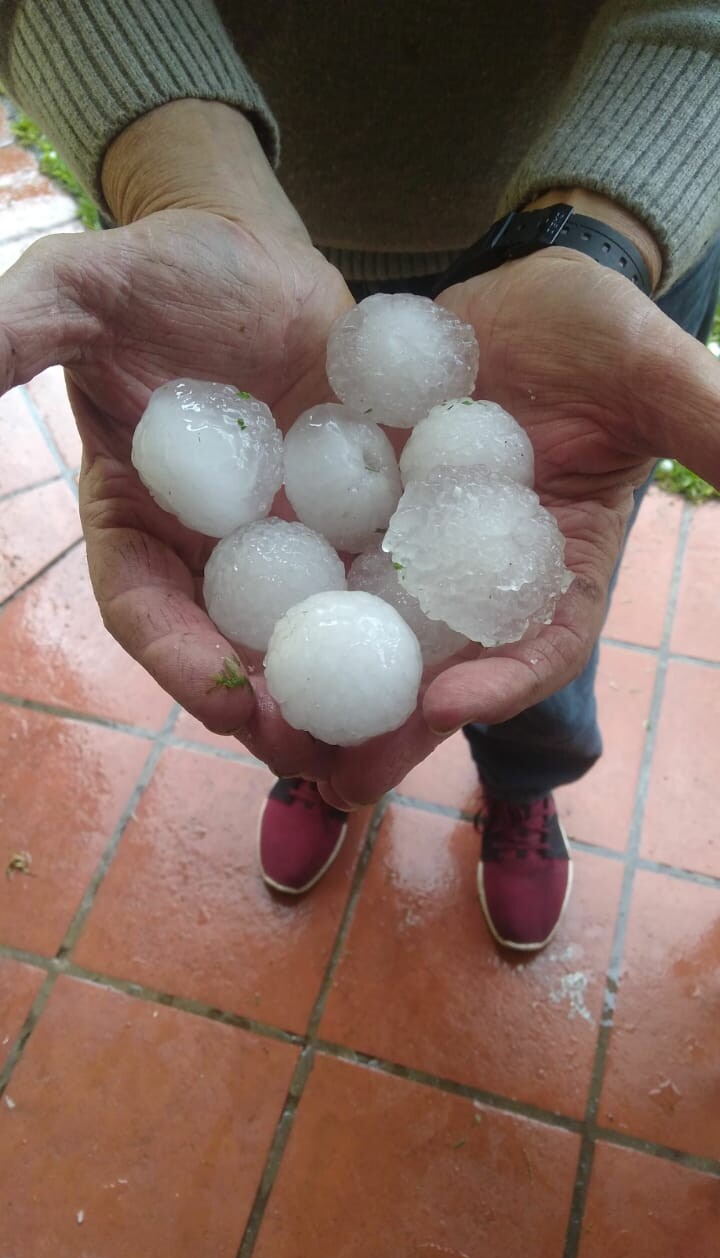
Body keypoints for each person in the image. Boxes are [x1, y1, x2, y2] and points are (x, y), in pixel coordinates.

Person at [0, 1, 718, 951]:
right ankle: (317, 755)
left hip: (598, 242)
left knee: (540, 643)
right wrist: (186, 178)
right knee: (311, 694)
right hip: (250, 232)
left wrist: (603, 234)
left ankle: (524, 785)